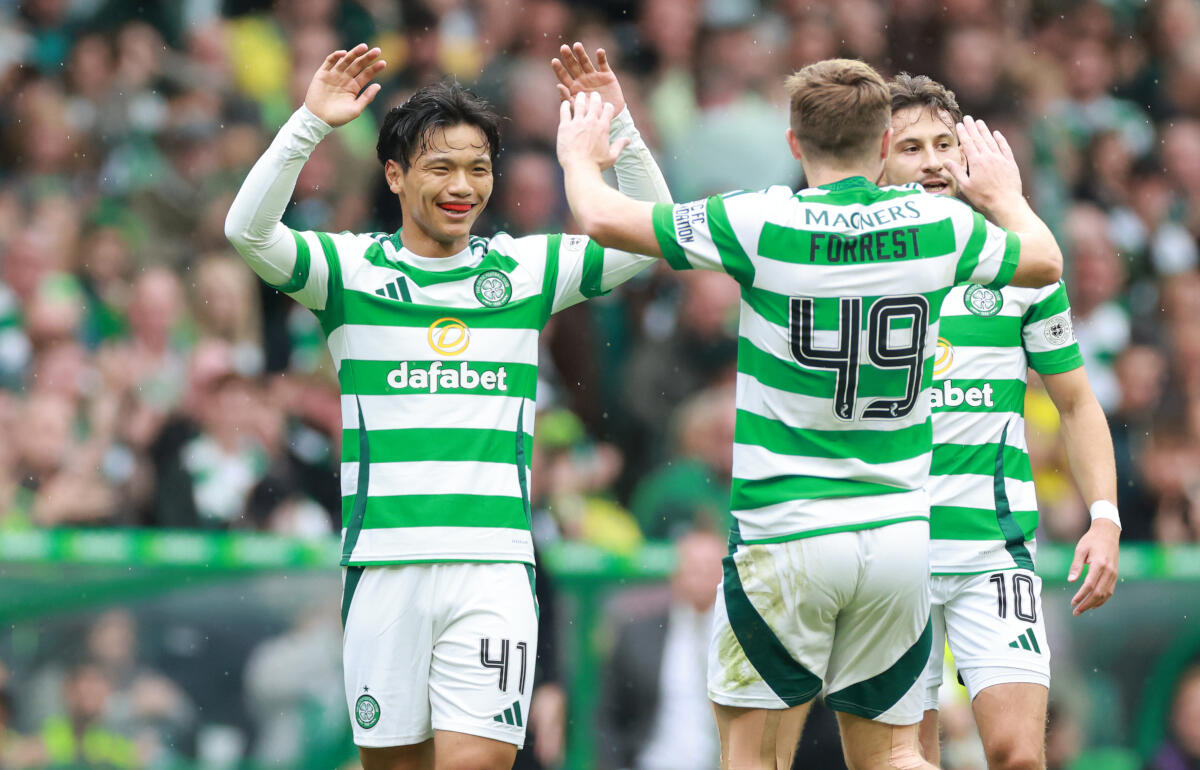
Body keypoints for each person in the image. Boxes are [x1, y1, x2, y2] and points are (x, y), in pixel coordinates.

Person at [556, 59, 1063, 769]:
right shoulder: (938, 224)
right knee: (894, 757)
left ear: (794, 143)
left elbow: (604, 219)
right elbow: (1044, 260)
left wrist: (581, 154)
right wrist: (1007, 196)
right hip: (896, 536)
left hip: (786, 533)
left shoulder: (760, 219)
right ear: (883, 144)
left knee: (753, 759)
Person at [225, 42, 670, 770]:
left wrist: (618, 124)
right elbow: (246, 232)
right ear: (395, 175)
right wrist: (309, 123)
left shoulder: (525, 270)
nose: (463, 185)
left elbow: (651, 234)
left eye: (478, 167)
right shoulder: (349, 272)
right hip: (384, 569)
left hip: (492, 568)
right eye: (441, 167)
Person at [880, 73, 1121, 770]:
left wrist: (1104, 516)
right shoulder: (854, 268)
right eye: (911, 147)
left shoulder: (1022, 264)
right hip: (890, 554)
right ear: (877, 160)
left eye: (945, 144)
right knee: (907, 759)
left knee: (1017, 756)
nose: (932, 161)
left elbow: (1076, 402)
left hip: (994, 552)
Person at [595, 528, 726, 770]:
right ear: (676, 574)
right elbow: (609, 717)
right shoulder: (637, 635)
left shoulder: (745, 642)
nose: (701, 578)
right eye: (694, 568)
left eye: (710, 568)